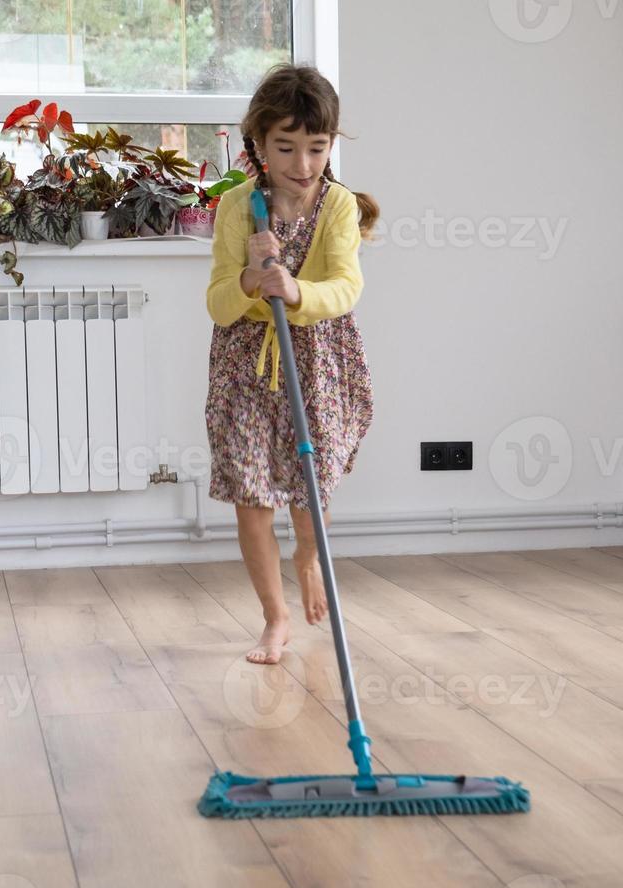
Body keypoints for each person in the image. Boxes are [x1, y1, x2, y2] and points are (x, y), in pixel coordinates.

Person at [204, 63, 380, 666]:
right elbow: (219, 302)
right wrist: (253, 279)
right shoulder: (236, 208)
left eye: (316, 147)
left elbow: (346, 287)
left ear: (331, 145)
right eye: (286, 147)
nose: (302, 165)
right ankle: (274, 618)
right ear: (257, 144)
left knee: (309, 488)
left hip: (317, 361)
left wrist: (297, 291)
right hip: (246, 366)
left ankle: (308, 551)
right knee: (251, 495)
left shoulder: (337, 207)